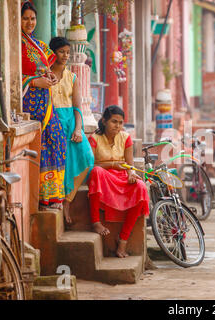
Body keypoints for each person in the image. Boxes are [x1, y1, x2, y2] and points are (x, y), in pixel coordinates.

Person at [21, 1, 67, 210]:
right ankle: (43, 197)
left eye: (32, 18)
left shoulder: (37, 44)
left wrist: (48, 76)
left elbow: (43, 67)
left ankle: (54, 194)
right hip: (29, 101)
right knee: (45, 142)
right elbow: (10, 75)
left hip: (45, 100)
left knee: (57, 138)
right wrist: (32, 81)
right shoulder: (15, 44)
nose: (30, 22)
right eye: (25, 18)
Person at [87, 106, 150, 258]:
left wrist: (132, 174)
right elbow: (90, 166)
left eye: (121, 123)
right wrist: (112, 165)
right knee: (96, 172)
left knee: (140, 187)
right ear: (104, 121)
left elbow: (130, 165)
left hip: (121, 176)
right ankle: (95, 222)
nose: (117, 126)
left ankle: (123, 241)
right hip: (103, 175)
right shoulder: (94, 139)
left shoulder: (125, 138)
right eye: (114, 121)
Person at [49, 36, 95, 224]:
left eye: (67, 52)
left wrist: (78, 129)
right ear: (53, 53)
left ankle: (68, 200)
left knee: (87, 157)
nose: (65, 55)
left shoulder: (72, 77)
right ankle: (58, 199)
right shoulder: (45, 76)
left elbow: (77, 107)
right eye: (61, 52)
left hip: (70, 124)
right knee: (60, 163)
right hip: (52, 123)